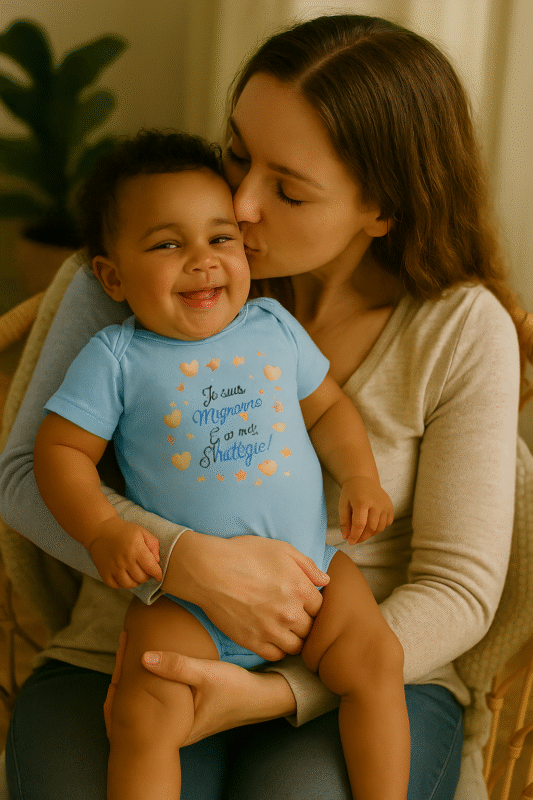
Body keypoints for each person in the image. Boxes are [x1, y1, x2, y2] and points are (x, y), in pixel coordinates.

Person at [0, 13, 524, 800]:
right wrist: (184, 564)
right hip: (134, 643)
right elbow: (24, 477)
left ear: (379, 208)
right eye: (236, 154)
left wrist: (280, 693)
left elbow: (457, 588)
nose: (238, 206)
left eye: (285, 188)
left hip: (359, 659)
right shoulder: (142, 267)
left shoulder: (454, 328)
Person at [33, 129, 404, 800]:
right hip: (183, 604)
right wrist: (102, 530)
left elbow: (327, 411)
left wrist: (359, 476)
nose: (202, 261)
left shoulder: (272, 326)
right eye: (167, 244)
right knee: (142, 716)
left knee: (377, 661)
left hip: (309, 580)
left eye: (221, 237)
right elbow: (57, 452)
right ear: (111, 275)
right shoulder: (117, 358)